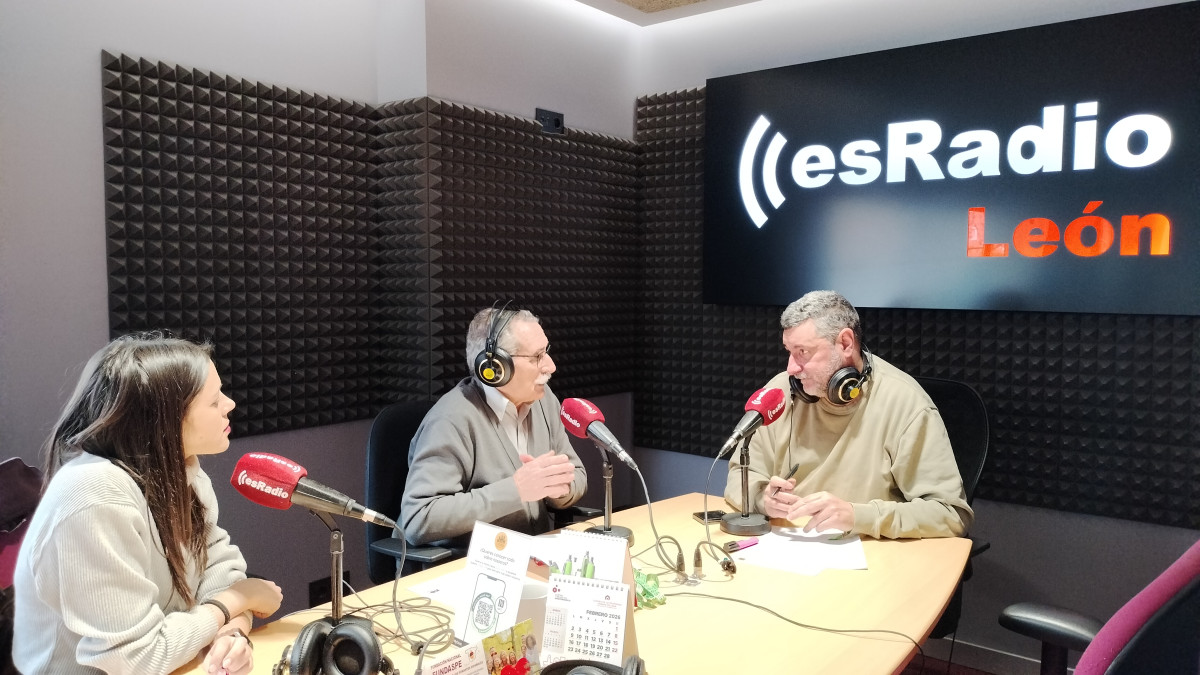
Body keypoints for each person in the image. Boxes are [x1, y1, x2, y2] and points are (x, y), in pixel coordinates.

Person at [12, 333, 283, 674]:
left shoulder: (182, 470)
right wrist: (237, 601)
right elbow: (137, 656)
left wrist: (231, 634)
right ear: (165, 420)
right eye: (213, 402)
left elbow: (217, 564)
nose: (229, 404)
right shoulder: (93, 496)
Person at [724, 291, 973, 539]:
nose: (791, 367)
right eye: (789, 351)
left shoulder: (905, 403)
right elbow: (738, 477)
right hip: (788, 551)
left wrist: (857, 516)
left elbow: (949, 514)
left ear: (845, 343)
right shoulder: (779, 394)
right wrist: (761, 498)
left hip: (874, 561)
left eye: (803, 352)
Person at [400, 306, 587, 550]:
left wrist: (558, 491)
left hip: (534, 558)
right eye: (537, 357)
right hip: (468, 570)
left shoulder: (544, 401)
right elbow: (419, 518)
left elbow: (577, 475)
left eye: (546, 352)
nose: (550, 366)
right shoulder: (451, 420)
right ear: (497, 367)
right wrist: (516, 490)